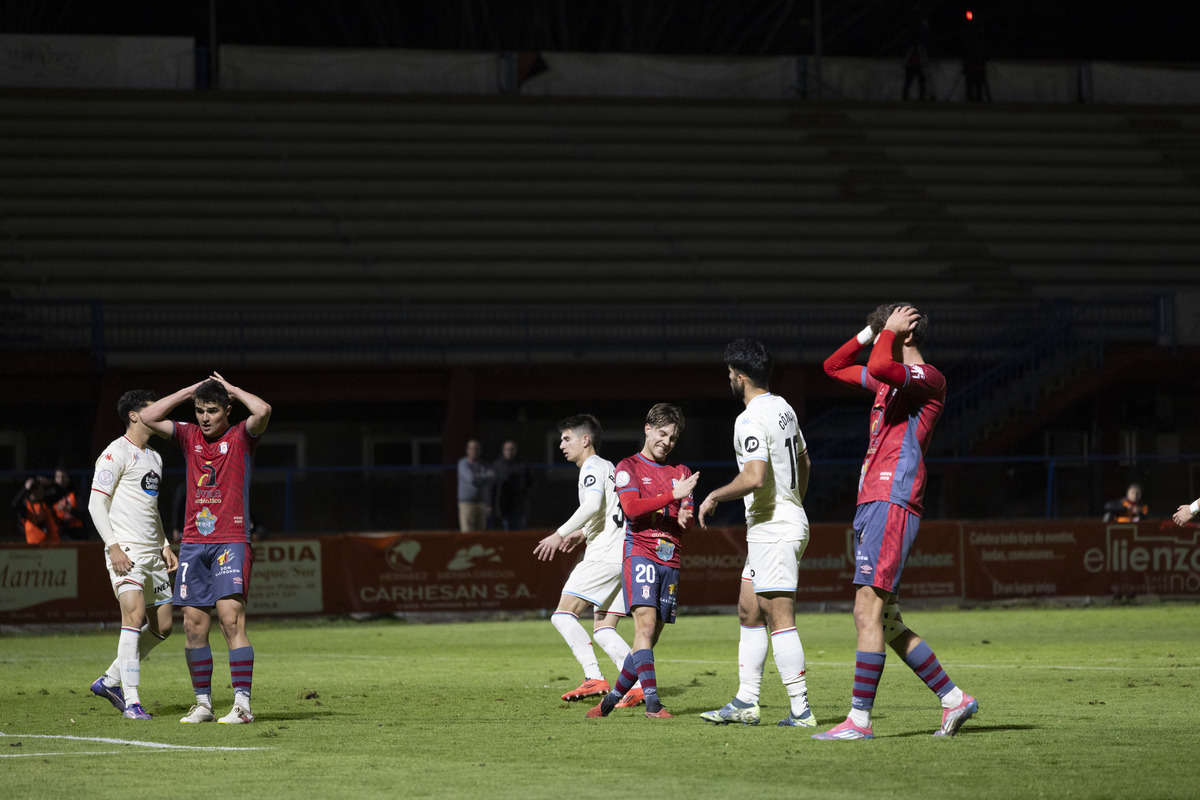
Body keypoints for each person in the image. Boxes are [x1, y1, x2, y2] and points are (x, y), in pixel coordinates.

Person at [813, 303, 977, 740]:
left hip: (893, 497)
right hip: (873, 502)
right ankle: (953, 698)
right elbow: (833, 367)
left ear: (906, 333)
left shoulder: (930, 379)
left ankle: (859, 721)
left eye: (889, 328)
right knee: (886, 623)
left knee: (866, 611)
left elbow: (885, 363)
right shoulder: (887, 385)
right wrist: (870, 333)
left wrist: (886, 334)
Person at [697, 338, 816, 728]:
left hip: (774, 529)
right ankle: (746, 701)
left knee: (779, 616)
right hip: (774, 524)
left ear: (742, 377)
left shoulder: (748, 418)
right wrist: (793, 500)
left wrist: (715, 494)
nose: (729, 380)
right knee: (749, 608)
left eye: (731, 374)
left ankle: (801, 710)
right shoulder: (783, 408)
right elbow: (804, 459)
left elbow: (754, 476)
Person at [140, 372, 271, 725]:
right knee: (194, 626)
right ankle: (203, 704)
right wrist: (186, 391)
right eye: (199, 410)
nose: (205, 417)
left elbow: (263, 409)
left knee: (230, 620)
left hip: (231, 539)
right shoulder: (188, 436)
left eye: (212, 409)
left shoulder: (241, 435)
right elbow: (149, 418)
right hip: (194, 544)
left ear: (227, 409)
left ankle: (242, 706)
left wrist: (234, 390)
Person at [586, 403, 699, 720]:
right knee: (645, 628)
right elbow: (633, 510)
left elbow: (685, 520)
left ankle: (609, 702)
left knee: (647, 640)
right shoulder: (628, 468)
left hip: (671, 560)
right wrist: (673, 496)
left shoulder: (683, 473)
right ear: (647, 429)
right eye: (662, 433)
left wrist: (689, 515)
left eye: (673, 438)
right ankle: (653, 704)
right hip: (641, 555)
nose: (667, 442)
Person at [533, 414, 643, 708]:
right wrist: (583, 531)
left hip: (604, 556)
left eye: (566, 439)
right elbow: (609, 512)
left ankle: (594, 676)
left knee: (562, 615)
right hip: (624, 555)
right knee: (605, 628)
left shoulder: (591, 467)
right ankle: (639, 686)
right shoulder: (610, 467)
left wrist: (560, 533)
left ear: (585, 440)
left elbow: (592, 505)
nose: (561, 445)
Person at [87, 389, 177, 720]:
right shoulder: (115, 453)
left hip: (153, 551)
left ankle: (110, 680)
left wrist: (165, 543)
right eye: (155, 410)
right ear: (135, 415)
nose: (162, 414)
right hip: (125, 547)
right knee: (134, 616)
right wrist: (112, 545)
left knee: (163, 626)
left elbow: (150, 508)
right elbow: (96, 502)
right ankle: (133, 700)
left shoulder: (155, 457)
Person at [492, 440, 534, 531]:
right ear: (503, 450)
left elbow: (530, 482)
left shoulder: (523, 465)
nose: (509, 452)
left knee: (519, 532)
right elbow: (493, 486)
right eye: (507, 449)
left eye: (512, 449)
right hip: (504, 506)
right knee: (507, 533)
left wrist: (524, 495)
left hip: (519, 506)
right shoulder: (498, 466)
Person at [456, 439, 493, 532]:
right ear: (467, 450)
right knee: (468, 534)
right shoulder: (463, 463)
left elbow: (490, 480)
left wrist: (488, 503)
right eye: (472, 449)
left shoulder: (483, 464)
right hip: (467, 504)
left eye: (476, 449)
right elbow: (471, 479)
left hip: (481, 503)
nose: (474, 451)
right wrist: (485, 475)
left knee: (481, 535)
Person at [12, 476, 59, 545]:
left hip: (50, 542)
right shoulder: (25, 505)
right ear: (34, 491)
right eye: (41, 489)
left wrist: (50, 483)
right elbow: (14, 505)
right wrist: (25, 488)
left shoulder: (44, 501)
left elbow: (59, 493)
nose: (43, 491)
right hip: (34, 543)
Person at [49, 468, 87, 540]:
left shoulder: (76, 493)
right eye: (58, 477)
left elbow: (84, 514)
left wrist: (68, 509)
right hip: (58, 533)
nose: (61, 480)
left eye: (64, 476)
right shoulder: (50, 495)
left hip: (76, 532)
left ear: (68, 478)